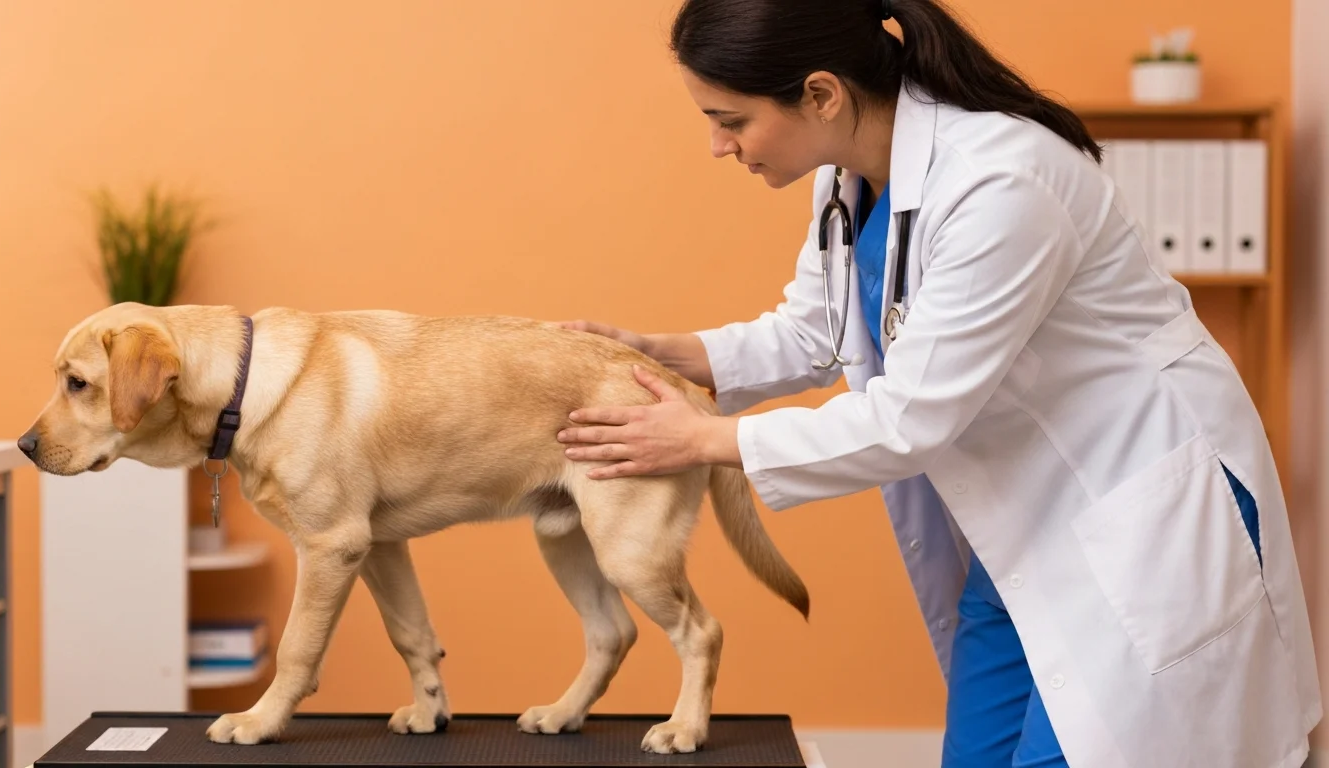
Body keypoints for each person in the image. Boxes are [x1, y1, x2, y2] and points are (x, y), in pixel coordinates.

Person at [552, 0, 1322, 766]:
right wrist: (658, 353)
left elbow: (909, 419)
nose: (719, 145)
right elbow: (814, 328)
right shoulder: (850, 182)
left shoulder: (1001, 180)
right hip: (1021, 527)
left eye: (732, 119)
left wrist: (702, 440)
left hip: (1142, 518)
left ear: (820, 94)